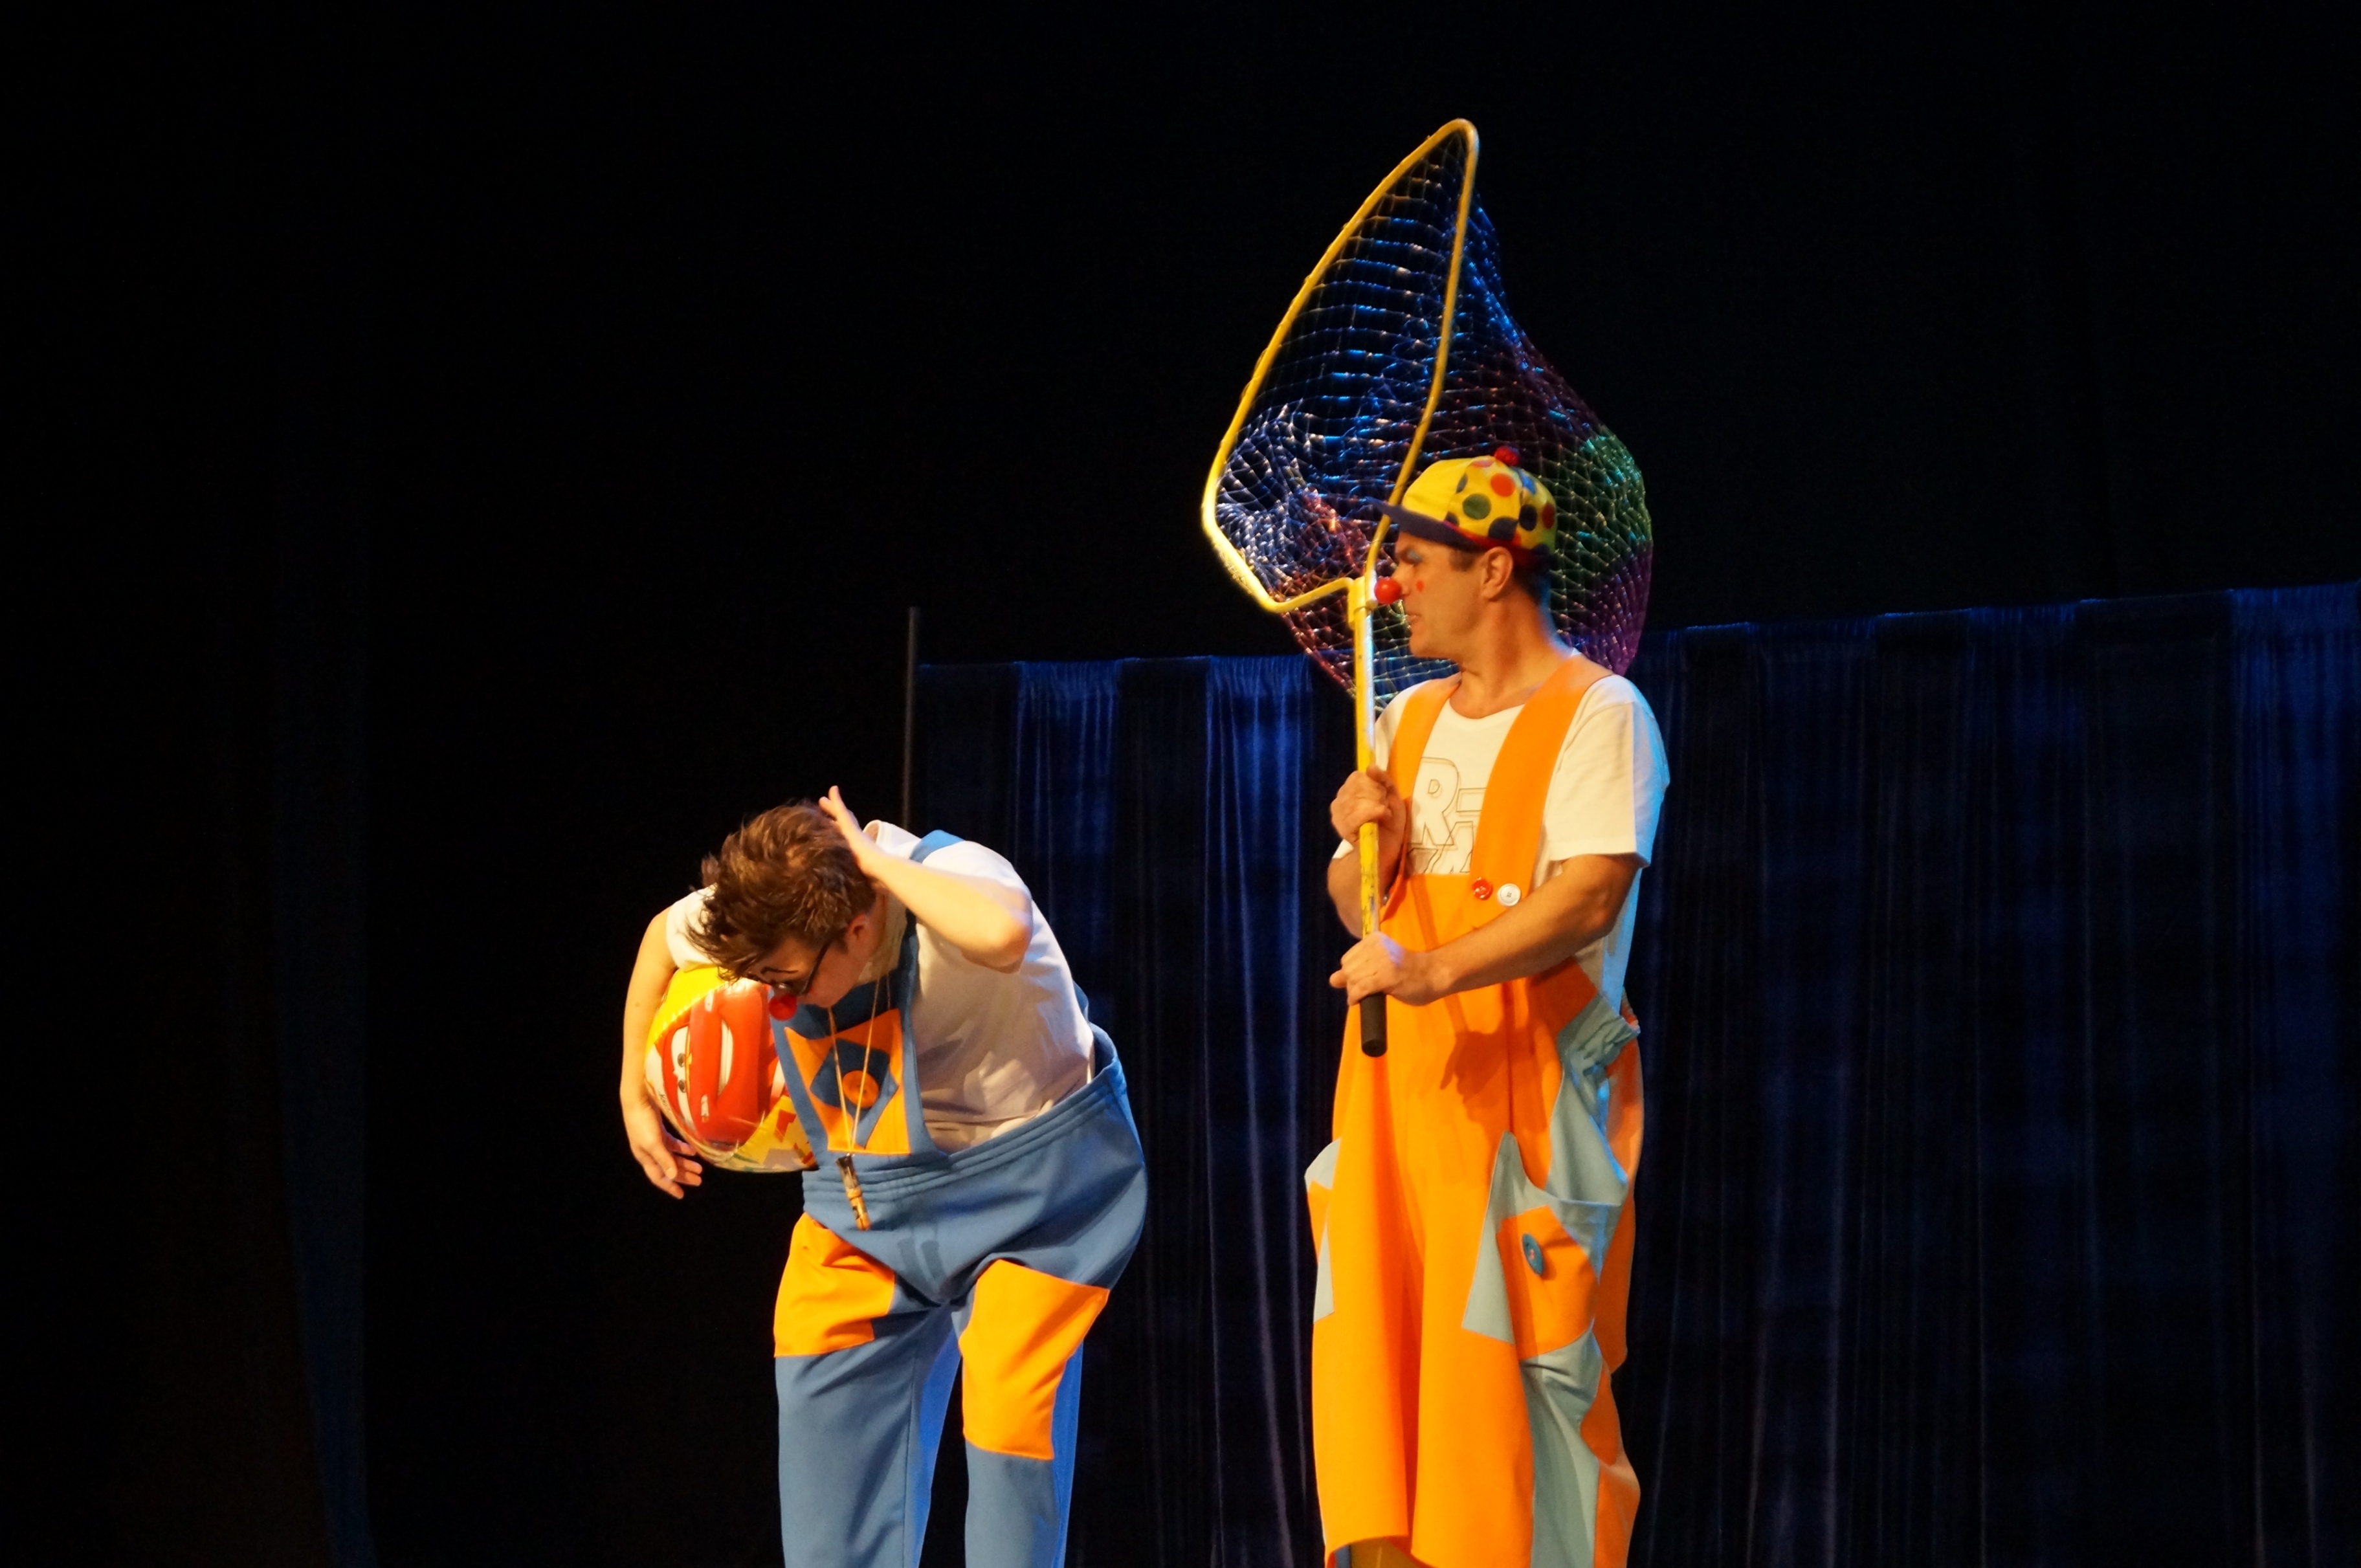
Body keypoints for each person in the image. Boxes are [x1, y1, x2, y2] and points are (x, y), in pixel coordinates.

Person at [618, 788, 1147, 1568]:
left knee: (1008, 1424)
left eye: (788, 980)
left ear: (857, 929)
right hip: (871, 1196)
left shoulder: (958, 877)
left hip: (1035, 1194)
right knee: (820, 1389)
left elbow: (1003, 933)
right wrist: (633, 1089)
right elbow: (662, 938)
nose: (776, 999)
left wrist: (875, 865)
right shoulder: (771, 912)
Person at [1310, 450, 1668, 1568]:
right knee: (1385, 1404)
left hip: (1528, 1111)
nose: (1395, 588)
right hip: (1398, 1108)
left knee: (1525, 1413)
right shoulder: (1405, 717)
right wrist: (1361, 845)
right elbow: (1355, 900)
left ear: (1496, 570)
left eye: (1417, 562)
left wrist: (1428, 971)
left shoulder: (1598, 712)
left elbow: (1587, 896)